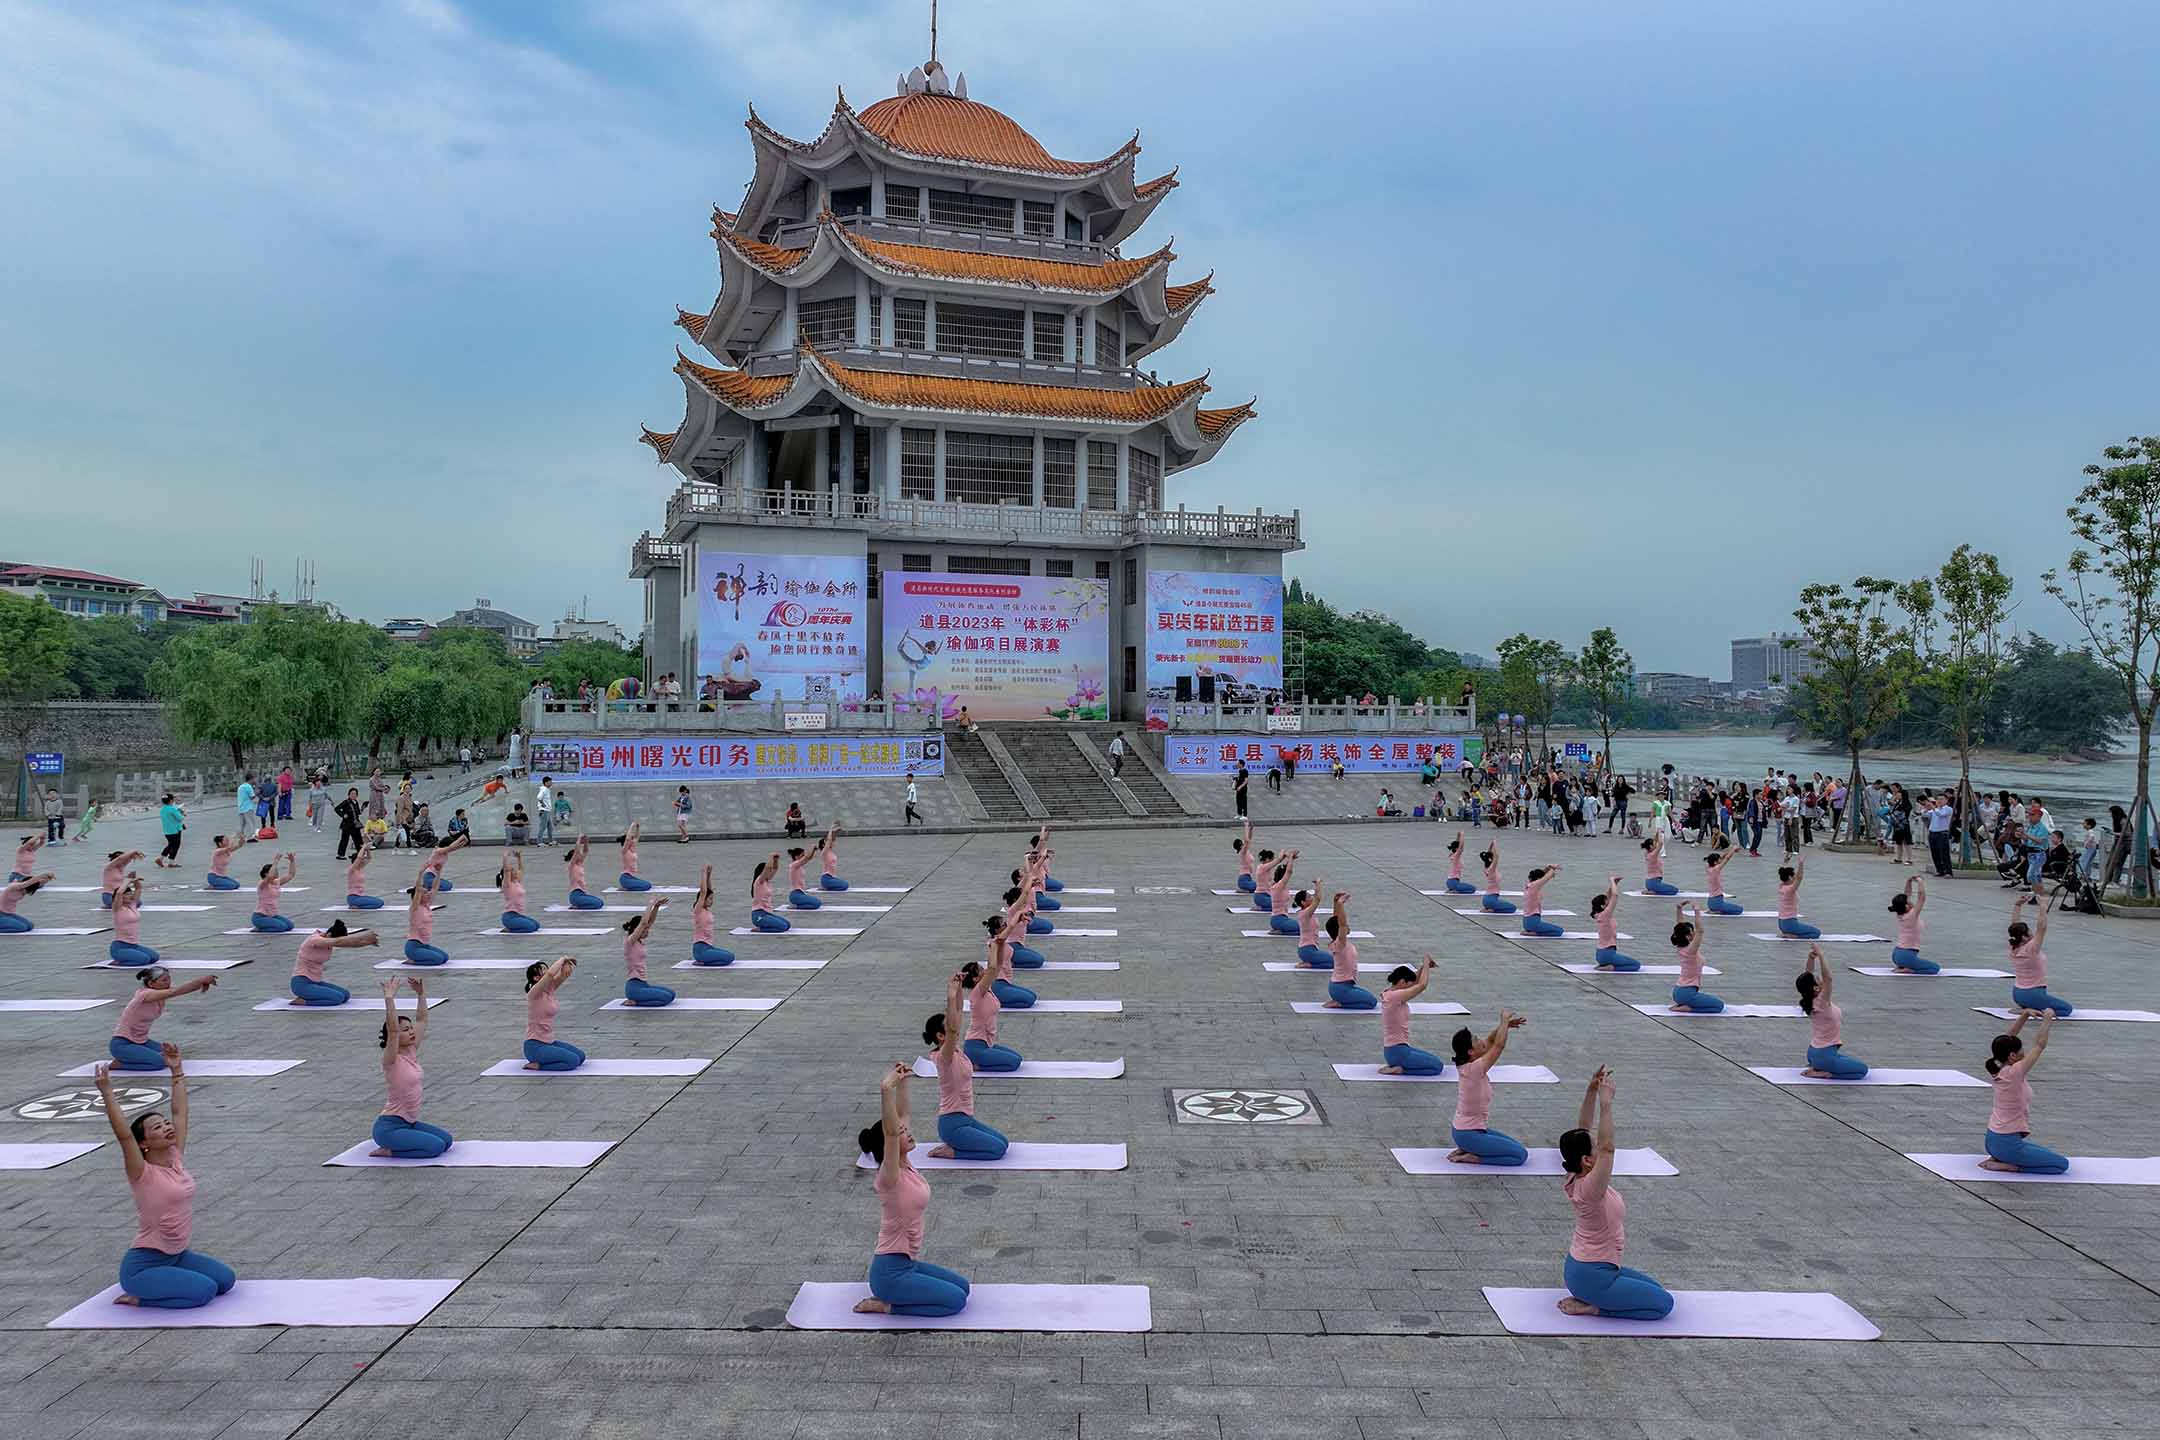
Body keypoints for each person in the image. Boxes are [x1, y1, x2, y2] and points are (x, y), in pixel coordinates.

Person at [93, 1051, 236, 1309]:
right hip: (144, 1264)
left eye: (165, 1123)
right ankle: (139, 1297)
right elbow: (124, 1134)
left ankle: (168, 1280)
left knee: (226, 1281)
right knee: (204, 1292)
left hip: (178, 1256)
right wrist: (106, 1092)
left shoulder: (174, 1156)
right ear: (144, 1143)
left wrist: (176, 1070)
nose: (167, 1127)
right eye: (157, 1127)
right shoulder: (141, 1171)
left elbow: (180, 1112)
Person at [854, 1062, 970, 1316]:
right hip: (889, 1273)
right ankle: (887, 1305)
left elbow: (903, 1116)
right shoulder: (889, 1176)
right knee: (955, 1302)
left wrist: (904, 1081)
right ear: (890, 1143)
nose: (907, 1132)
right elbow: (893, 1131)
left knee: (964, 1287)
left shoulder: (907, 1166)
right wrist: (886, 1088)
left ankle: (899, 1294)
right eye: (901, 1132)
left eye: (906, 1130)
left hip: (907, 1264)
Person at [1558, 1067, 1673, 1320]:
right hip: (1592, 1276)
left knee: (1656, 1289)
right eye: (1594, 1147)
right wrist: (1606, 1104)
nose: (1599, 1145)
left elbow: (1583, 1127)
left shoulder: (1577, 1174)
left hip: (1589, 1270)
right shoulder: (1591, 1188)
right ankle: (1594, 1308)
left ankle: (1592, 1297)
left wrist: (1590, 1090)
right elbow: (1608, 1149)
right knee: (1663, 1305)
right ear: (1588, 1160)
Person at [925, 971, 1009, 1159]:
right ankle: (953, 1151)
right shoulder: (943, 1058)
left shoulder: (956, 1050)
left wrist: (958, 989)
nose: (955, 1029)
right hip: (952, 1124)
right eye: (949, 1029)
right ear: (940, 1036)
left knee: (1004, 1143)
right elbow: (953, 1027)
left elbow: (957, 1017)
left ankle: (960, 1144)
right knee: (996, 1151)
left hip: (966, 1119)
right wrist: (950, 994)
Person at [370, 978, 451, 1158]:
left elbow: (422, 1018)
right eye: (405, 1030)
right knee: (435, 1147)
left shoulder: (411, 1051)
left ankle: (400, 1143)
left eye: (410, 1028)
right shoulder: (391, 1060)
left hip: (409, 1123)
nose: (411, 1031)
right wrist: (389, 998)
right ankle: (389, 1150)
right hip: (389, 1127)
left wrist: (421, 993)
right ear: (397, 1037)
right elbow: (393, 1031)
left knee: (447, 1141)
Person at [1980, 1011, 2067, 1173]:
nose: (2024, 1053)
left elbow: (2007, 1037)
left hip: (1993, 1141)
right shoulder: (2015, 1072)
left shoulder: (1996, 1066)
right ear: (2012, 1056)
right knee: (2061, 1165)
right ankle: (2009, 1166)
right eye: (2021, 1051)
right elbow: (2040, 1045)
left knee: (2048, 1154)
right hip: (2006, 1144)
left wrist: (2025, 1014)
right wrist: (2048, 1019)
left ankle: (1998, 1157)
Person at [1440, 1010, 1531, 1164]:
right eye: (1477, 1040)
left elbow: (1491, 1040)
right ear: (1471, 1051)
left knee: (1517, 1147)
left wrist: (1505, 1027)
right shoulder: (1474, 1069)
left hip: (1468, 1132)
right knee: (1520, 1156)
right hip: (1469, 1134)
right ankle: (1474, 1156)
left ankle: (1468, 1148)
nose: (1482, 1040)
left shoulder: (1469, 1064)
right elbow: (1498, 1046)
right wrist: (1503, 1020)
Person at [108, 964, 218, 1069]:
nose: (168, 982)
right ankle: (119, 1064)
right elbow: (174, 991)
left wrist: (200, 984)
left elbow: (181, 989)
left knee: (172, 1056)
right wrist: (201, 980)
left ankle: (133, 1057)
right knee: (159, 1063)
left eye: (169, 979)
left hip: (141, 1041)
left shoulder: (158, 992)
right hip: (123, 1044)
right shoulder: (145, 994)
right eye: (164, 980)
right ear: (151, 984)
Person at [1793, 944, 1869, 1077]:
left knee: (1845, 1060)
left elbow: (1807, 976)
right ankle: (1823, 1074)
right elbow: (1828, 978)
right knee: (1862, 1070)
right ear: (1816, 988)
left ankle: (1817, 1067)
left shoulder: (1808, 1001)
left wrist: (1811, 958)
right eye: (1818, 980)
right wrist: (1821, 955)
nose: (1820, 979)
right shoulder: (1822, 1003)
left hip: (1813, 1054)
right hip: (1824, 1056)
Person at [2007, 894, 2071, 1016]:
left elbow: (2015, 926)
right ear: (2025, 936)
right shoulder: (2031, 948)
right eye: (2029, 931)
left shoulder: (2013, 946)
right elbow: (2042, 927)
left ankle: (2027, 1008)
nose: (2032, 932)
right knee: (2066, 1009)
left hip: (2017, 994)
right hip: (2033, 994)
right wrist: (2043, 907)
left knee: (2046, 1003)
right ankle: (2028, 1011)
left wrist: (2018, 905)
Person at [1378, 956, 1443, 1074]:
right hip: (1398, 1052)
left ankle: (1400, 1067)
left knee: (1435, 1061)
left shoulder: (1390, 993)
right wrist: (1426, 963)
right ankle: (1401, 1070)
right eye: (1409, 985)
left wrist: (1424, 967)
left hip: (1398, 1050)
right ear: (1402, 982)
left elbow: (1415, 981)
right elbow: (1421, 985)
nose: (1411, 988)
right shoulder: (1394, 997)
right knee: (1437, 1067)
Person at [291, 919, 376, 1005]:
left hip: (316, 982)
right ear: (329, 934)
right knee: (337, 998)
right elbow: (338, 941)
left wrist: (368, 942)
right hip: (301, 984)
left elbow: (349, 944)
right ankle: (304, 1001)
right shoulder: (315, 940)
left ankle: (310, 995)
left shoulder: (327, 940)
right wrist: (363, 935)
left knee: (345, 995)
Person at [1322, 891, 1375, 1009]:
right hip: (1340, 988)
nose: (1348, 926)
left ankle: (1341, 1000)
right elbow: (1341, 923)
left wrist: (1335, 902)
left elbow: (1336, 921)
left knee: (1369, 998)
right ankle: (1340, 1003)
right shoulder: (1340, 943)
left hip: (1341, 987)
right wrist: (1341, 904)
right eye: (1346, 926)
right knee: (1371, 1002)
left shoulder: (1337, 942)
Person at [620, 898, 675, 1007]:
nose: (647, 931)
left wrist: (657, 907)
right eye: (644, 930)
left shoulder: (639, 940)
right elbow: (644, 923)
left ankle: (638, 1000)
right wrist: (650, 904)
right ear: (637, 930)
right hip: (634, 988)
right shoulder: (630, 941)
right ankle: (635, 1002)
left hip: (643, 984)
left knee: (671, 994)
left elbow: (649, 922)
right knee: (665, 998)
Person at [1668, 902, 1722, 1012]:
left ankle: (1683, 1005)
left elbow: (1680, 928)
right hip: (1687, 993)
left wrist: (1679, 908)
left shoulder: (1681, 947)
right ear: (1688, 937)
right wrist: (1697, 911)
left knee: (1713, 1003)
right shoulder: (1690, 951)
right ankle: (1688, 1008)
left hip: (1678, 992)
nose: (1694, 933)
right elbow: (1700, 931)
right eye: (1692, 932)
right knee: (1718, 1006)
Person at [1882, 876, 1940, 974]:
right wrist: (1920, 881)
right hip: (1906, 955)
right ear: (1905, 906)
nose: (1910, 902)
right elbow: (1921, 897)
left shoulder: (1900, 914)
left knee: (1919, 964)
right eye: (1908, 902)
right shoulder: (1912, 915)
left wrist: (1909, 881)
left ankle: (1903, 967)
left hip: (1897, 955)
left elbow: (1907, 894)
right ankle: (1909, 970)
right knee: (1935, 968)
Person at [685, 864, 735, 965]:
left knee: (730, 955)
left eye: (712, 899)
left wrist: (709, 874)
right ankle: (702, 962)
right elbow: (704, 892)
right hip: (700, 950)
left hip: (708, 947)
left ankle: (704, 961)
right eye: (710, 899)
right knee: (729, 958)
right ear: (702, 899)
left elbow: (708, 890)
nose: (712, 901)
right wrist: (703, 873)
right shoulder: (698, 910)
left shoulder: (706, 910)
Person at [403, 862, 447, 966]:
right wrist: (420, 872)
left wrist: (438, 872)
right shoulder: (415, 908)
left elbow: (435, 887)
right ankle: (412, 961)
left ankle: (419, 958)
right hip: (413, 947)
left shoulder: (427, 905)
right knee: (438, 960)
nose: (428, 894)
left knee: (445, 958)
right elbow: (418, 890)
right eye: (425, 893)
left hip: (424, 945)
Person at [1590, 877, 1638, 971]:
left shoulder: (1598, 914)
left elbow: (1607, 896)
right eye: (1607, 901)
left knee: (1631, 964)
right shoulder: (1605, 915)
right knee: (1636, 965)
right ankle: (1611, 967)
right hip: (1608, 954)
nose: (1609, 901)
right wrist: (1612, 880)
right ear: (1603, 906)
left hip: (1600, 955)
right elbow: (1615, 895)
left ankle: (1605, 965)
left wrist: (1614, 884)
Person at [1775, 858, 1821, 939]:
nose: (1795, 877)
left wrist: (1786, 861)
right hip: (1790, 924)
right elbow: (1799, 878)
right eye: (1793, 876)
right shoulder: (1790, 890)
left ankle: (1788, 933)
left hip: (1781, 924)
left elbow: (1784, 874)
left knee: (1811, 930)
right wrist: (1801, 864)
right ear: (1790, 877)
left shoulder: (1781, 886)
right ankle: (1794, 936)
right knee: (1816, 933)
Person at [250, 853, 296, 932]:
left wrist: (292, 861)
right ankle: (260, 928)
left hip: (273, 915)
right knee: (281, 927)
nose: (277, 872)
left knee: (290, 926)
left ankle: (267, 925)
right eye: (274, 871)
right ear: (266, 874)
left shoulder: (276, 882)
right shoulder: (262, 884)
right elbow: (270, 877)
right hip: (260, 916)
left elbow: (291, 875)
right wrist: (276, 861)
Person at [497, 850, 537, 933]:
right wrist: (505, 857)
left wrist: (519, 858)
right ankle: (509, 929)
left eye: (514, 871)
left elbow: (521, 869)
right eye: (513, 871)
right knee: (531, 928)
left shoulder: (517, 882)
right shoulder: (507, 885)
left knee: (536, 925)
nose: (515, 872)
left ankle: (513, 927)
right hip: (509, 917)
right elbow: (506, 870)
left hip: (518, 915)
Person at [1521, 863, 1563, 937]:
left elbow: (1542, 875)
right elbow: (1546, 877)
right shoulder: (1535, 885)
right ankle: (1535, 933)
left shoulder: (1529, 884)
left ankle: (1531, 931)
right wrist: (1553, 868)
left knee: (1556, 930)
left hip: (1526, 923)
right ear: (1538, 879)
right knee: (1559, 931)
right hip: (1533, 923)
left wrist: (1548, 867)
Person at [1292, 882, 1328, 968]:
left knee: (1333, 962)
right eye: (1309, 897)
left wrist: (1316, 887)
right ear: (1303, 902)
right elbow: (1318, 899)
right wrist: (1318, 884)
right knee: (1335, 962)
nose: (1312, 898)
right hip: (1308, 950)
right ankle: (1310, 964)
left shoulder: (1306, 912)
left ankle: (1310, 963)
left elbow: (1316, 898)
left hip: (1309, 950)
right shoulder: (1305, 913)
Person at [751, 854, 791, 932]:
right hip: (758, 915)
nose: (770, 872)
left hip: (767, 913)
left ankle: (764, 926)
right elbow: (768, 867)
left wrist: (776, 860)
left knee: (787, 925)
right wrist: (771, 857)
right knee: (782, 927)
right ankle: (760, 929)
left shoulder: (767, 881)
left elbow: (775, 868)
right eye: (769, 871)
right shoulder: (759, 881)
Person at [563, 835, 602, 909]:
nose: (581, 855)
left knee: (600, 902)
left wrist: (586, 841)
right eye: (579, 854)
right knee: (597, 904)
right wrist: (579, 839)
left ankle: (578, 905)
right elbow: (577, 851)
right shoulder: (572, 865)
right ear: (575, 857)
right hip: (575, 895)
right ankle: (577, 907)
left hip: (582, 894)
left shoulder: (580, 864)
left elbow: (586, 851)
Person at [1478, 843, 1516, 914]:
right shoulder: (1492, 869)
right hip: (1491, 900)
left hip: (1486, 899)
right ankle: (1492, 909)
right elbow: (1497, 856)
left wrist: (1491, 844)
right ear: (1491, 859)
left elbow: (1489, 855)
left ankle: (1489, 908)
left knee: (1507, 906)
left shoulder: (1486, 868)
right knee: (1513, 908)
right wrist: (1495, 844)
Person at [1924, 793, 1955, 877]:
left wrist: (1933, 808)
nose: (1939, 801)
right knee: (1935, 853)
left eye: (1942, 799)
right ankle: (1939, 870)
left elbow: (1941, 815)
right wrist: (1926, 808)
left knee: (1944, 853)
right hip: (1932, 833)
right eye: (1938, 799)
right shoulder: (1935, 810)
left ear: (1946, 800)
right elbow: (1924, 815)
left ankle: (1948, 872)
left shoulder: (1948, 809)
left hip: (1942, 833)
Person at [1703, 849, 1742, 915]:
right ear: (1715, 862)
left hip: (1710, 903)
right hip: (1717, 903)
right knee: (1740, 910)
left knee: (1730, 907)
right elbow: (1727, 858)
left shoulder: (1708, 868)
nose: (1721, 860)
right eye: (1719, 859)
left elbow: (1723, 857)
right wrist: (1733, 849)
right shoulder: (1716, 869)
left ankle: (1714, 910)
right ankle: (1717, 911)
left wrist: (1730, 851)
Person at [334, 788, 365, 861]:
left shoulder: (356, 802)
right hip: (347, 825)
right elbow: (337, 809)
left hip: (355, 824)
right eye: (352, 794)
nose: (353, 795)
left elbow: (358, 812)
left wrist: (363, 808)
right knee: (344, 839)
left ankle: (360, 854)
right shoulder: (346, 802)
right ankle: (340, 854)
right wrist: (343, 814)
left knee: (358, 840)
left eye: (355, 794)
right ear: (349, 795)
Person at [617, 822, 649, 892]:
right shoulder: (624, 850)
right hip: (625, 878)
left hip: (630, 877)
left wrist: (637, 828)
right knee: (646, 886)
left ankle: (627, 887)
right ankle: (626, 888)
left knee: (648, 885)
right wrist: (632, 826)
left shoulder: (632, 848)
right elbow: (628, 839)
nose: (632, 840)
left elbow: (637, 837)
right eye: (631, 839)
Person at [155, 796, 186, 868]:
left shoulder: (162, 809)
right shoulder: (172, 809)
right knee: (175, 846)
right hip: (175, 830)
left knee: (171, 845)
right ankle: (171, 862)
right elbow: (180, 818)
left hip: (167, 831)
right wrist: (182, 813)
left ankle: (161, 859)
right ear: (171, 800)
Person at [817, 823, 847, 890]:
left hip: (832, 877)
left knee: (845, 884)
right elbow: (829, 840)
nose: (830, 842)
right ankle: (826, 887)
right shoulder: (824, 852)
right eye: (826, 841)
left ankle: (826, 887)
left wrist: (836, 832)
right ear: (823, 845)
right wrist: (831, 828)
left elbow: (832, 839)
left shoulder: (831, 852)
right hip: (826, 878)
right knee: (845, 885)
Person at [1233, 820, 1257, 892]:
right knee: (1264, 885)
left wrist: (1251, 829)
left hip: (1247, 879)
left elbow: (1248, 839)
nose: (1244, 843)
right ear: (1241, 846)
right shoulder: (1242, 852)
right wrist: (1246, 826)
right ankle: (1245, 889)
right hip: (1243, 881)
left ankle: (1246, 890)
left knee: (1263, 885)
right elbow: (1247, 840)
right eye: (1242, 843)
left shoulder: (1246, 851)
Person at [534, 775, 556, 847]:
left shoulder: (546, 789)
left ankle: (551, 841)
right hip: (544, 811)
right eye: (550, 782)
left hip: (547, 811)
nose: (551, 783)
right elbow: (539, 797)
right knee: (542, 827)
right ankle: (539, 842)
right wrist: (543, 804)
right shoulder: (544, 789)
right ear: (546, 782)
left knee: (550, 827)